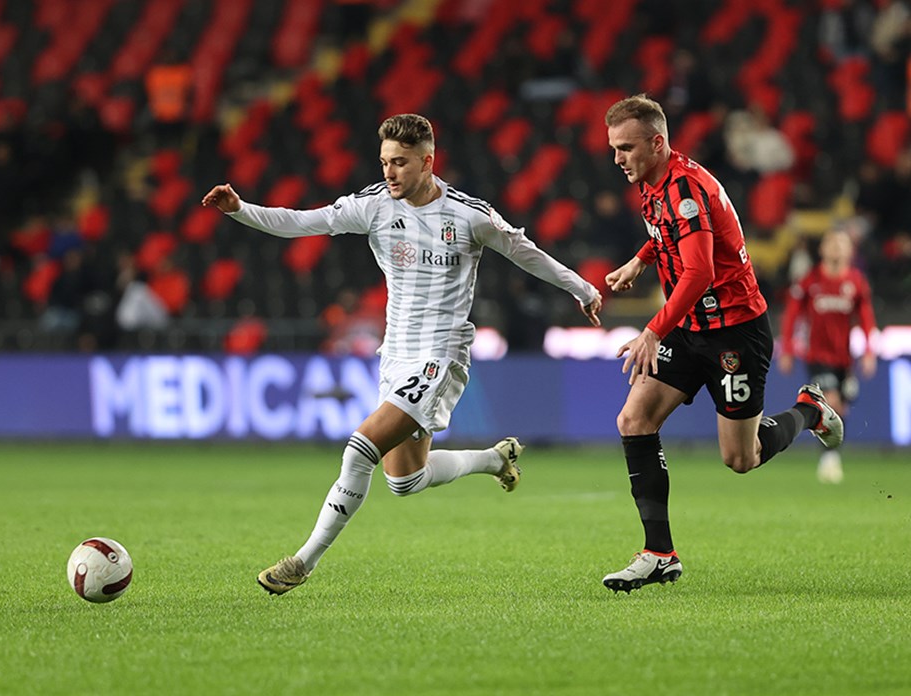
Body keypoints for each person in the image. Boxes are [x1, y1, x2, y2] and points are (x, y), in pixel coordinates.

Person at [202, 113, 603, 595]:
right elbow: (303, 222)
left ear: (428, 162)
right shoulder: (373, 206)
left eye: (401, 163)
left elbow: (525, 252)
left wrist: (582, 289)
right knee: (404, 480)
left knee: (360, 447)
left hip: (441, 353)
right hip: (395, 353)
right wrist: (240, 209)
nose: (390, 172)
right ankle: (495, 460)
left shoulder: (468, 214)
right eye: (385, 162)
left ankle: (303, 561)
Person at [601, 95, 843, 593]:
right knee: (634, 420)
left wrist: (652, 330)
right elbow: (666, 234)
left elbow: (700, 271)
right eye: (614, 149)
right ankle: (658, 553)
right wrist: (640, 260)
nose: (618, 158)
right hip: (691, 330)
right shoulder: (653, 183)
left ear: (656, 142)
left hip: (735, 330)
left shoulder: (686, 187)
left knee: (741, 458)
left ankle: (808, 410)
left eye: (625, 148)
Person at [779, 230, 877, 484]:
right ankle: (829, 459)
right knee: (831, 401)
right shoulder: (810, 281)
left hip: (845, 359)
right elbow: (791, 315)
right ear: (822, 250)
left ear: (850, 251)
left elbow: (866, 318)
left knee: (841, 408)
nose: (836, 248)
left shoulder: (856, 282)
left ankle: (830, 455)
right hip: (817, 356)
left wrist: (868, 350)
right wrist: (787, 349)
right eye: (831, 243)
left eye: (841, 244)